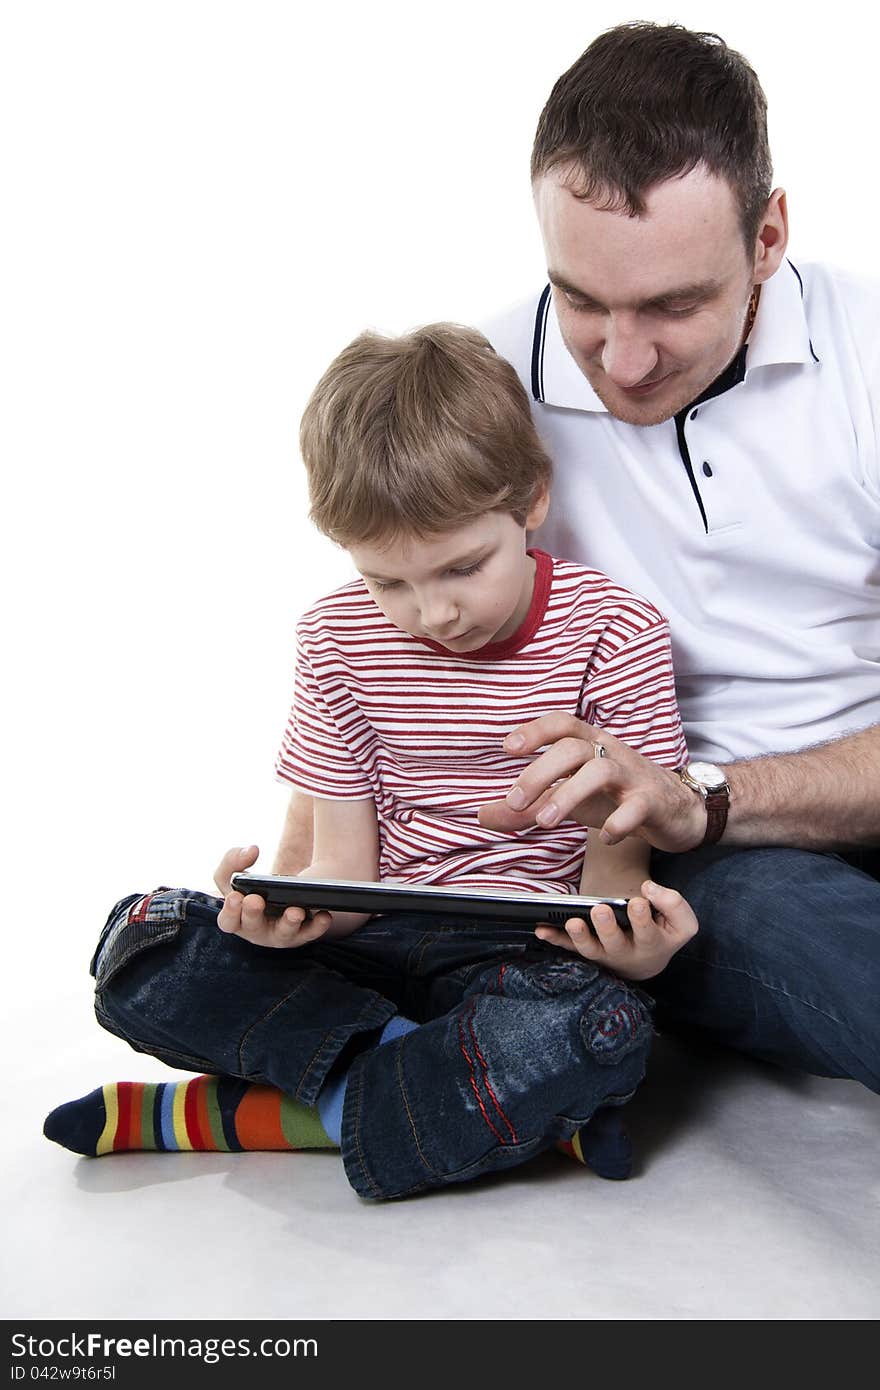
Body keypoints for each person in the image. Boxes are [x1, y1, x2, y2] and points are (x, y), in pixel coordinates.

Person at [44, 323, 699, 1199]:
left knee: (604, 1022)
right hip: (373, 949)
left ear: (532, 499)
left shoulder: (615, 629)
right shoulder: (335, 638)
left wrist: (638, 952)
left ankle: (238, 1115)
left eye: (463, 567)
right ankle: (475, 1100)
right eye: (388, 582)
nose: (433, 613)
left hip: (524, 954)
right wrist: (288, 913)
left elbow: (611, 882)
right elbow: (341, 868)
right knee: (143, 938)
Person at [473, 21, 880, 1092]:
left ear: (767, 237)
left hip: (780, 788)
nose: (624, 357)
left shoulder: (869, 355)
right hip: (698, 865)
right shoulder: (480, 393)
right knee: (808, 936)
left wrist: (711, 788)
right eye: (582, 299)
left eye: (673, 304)